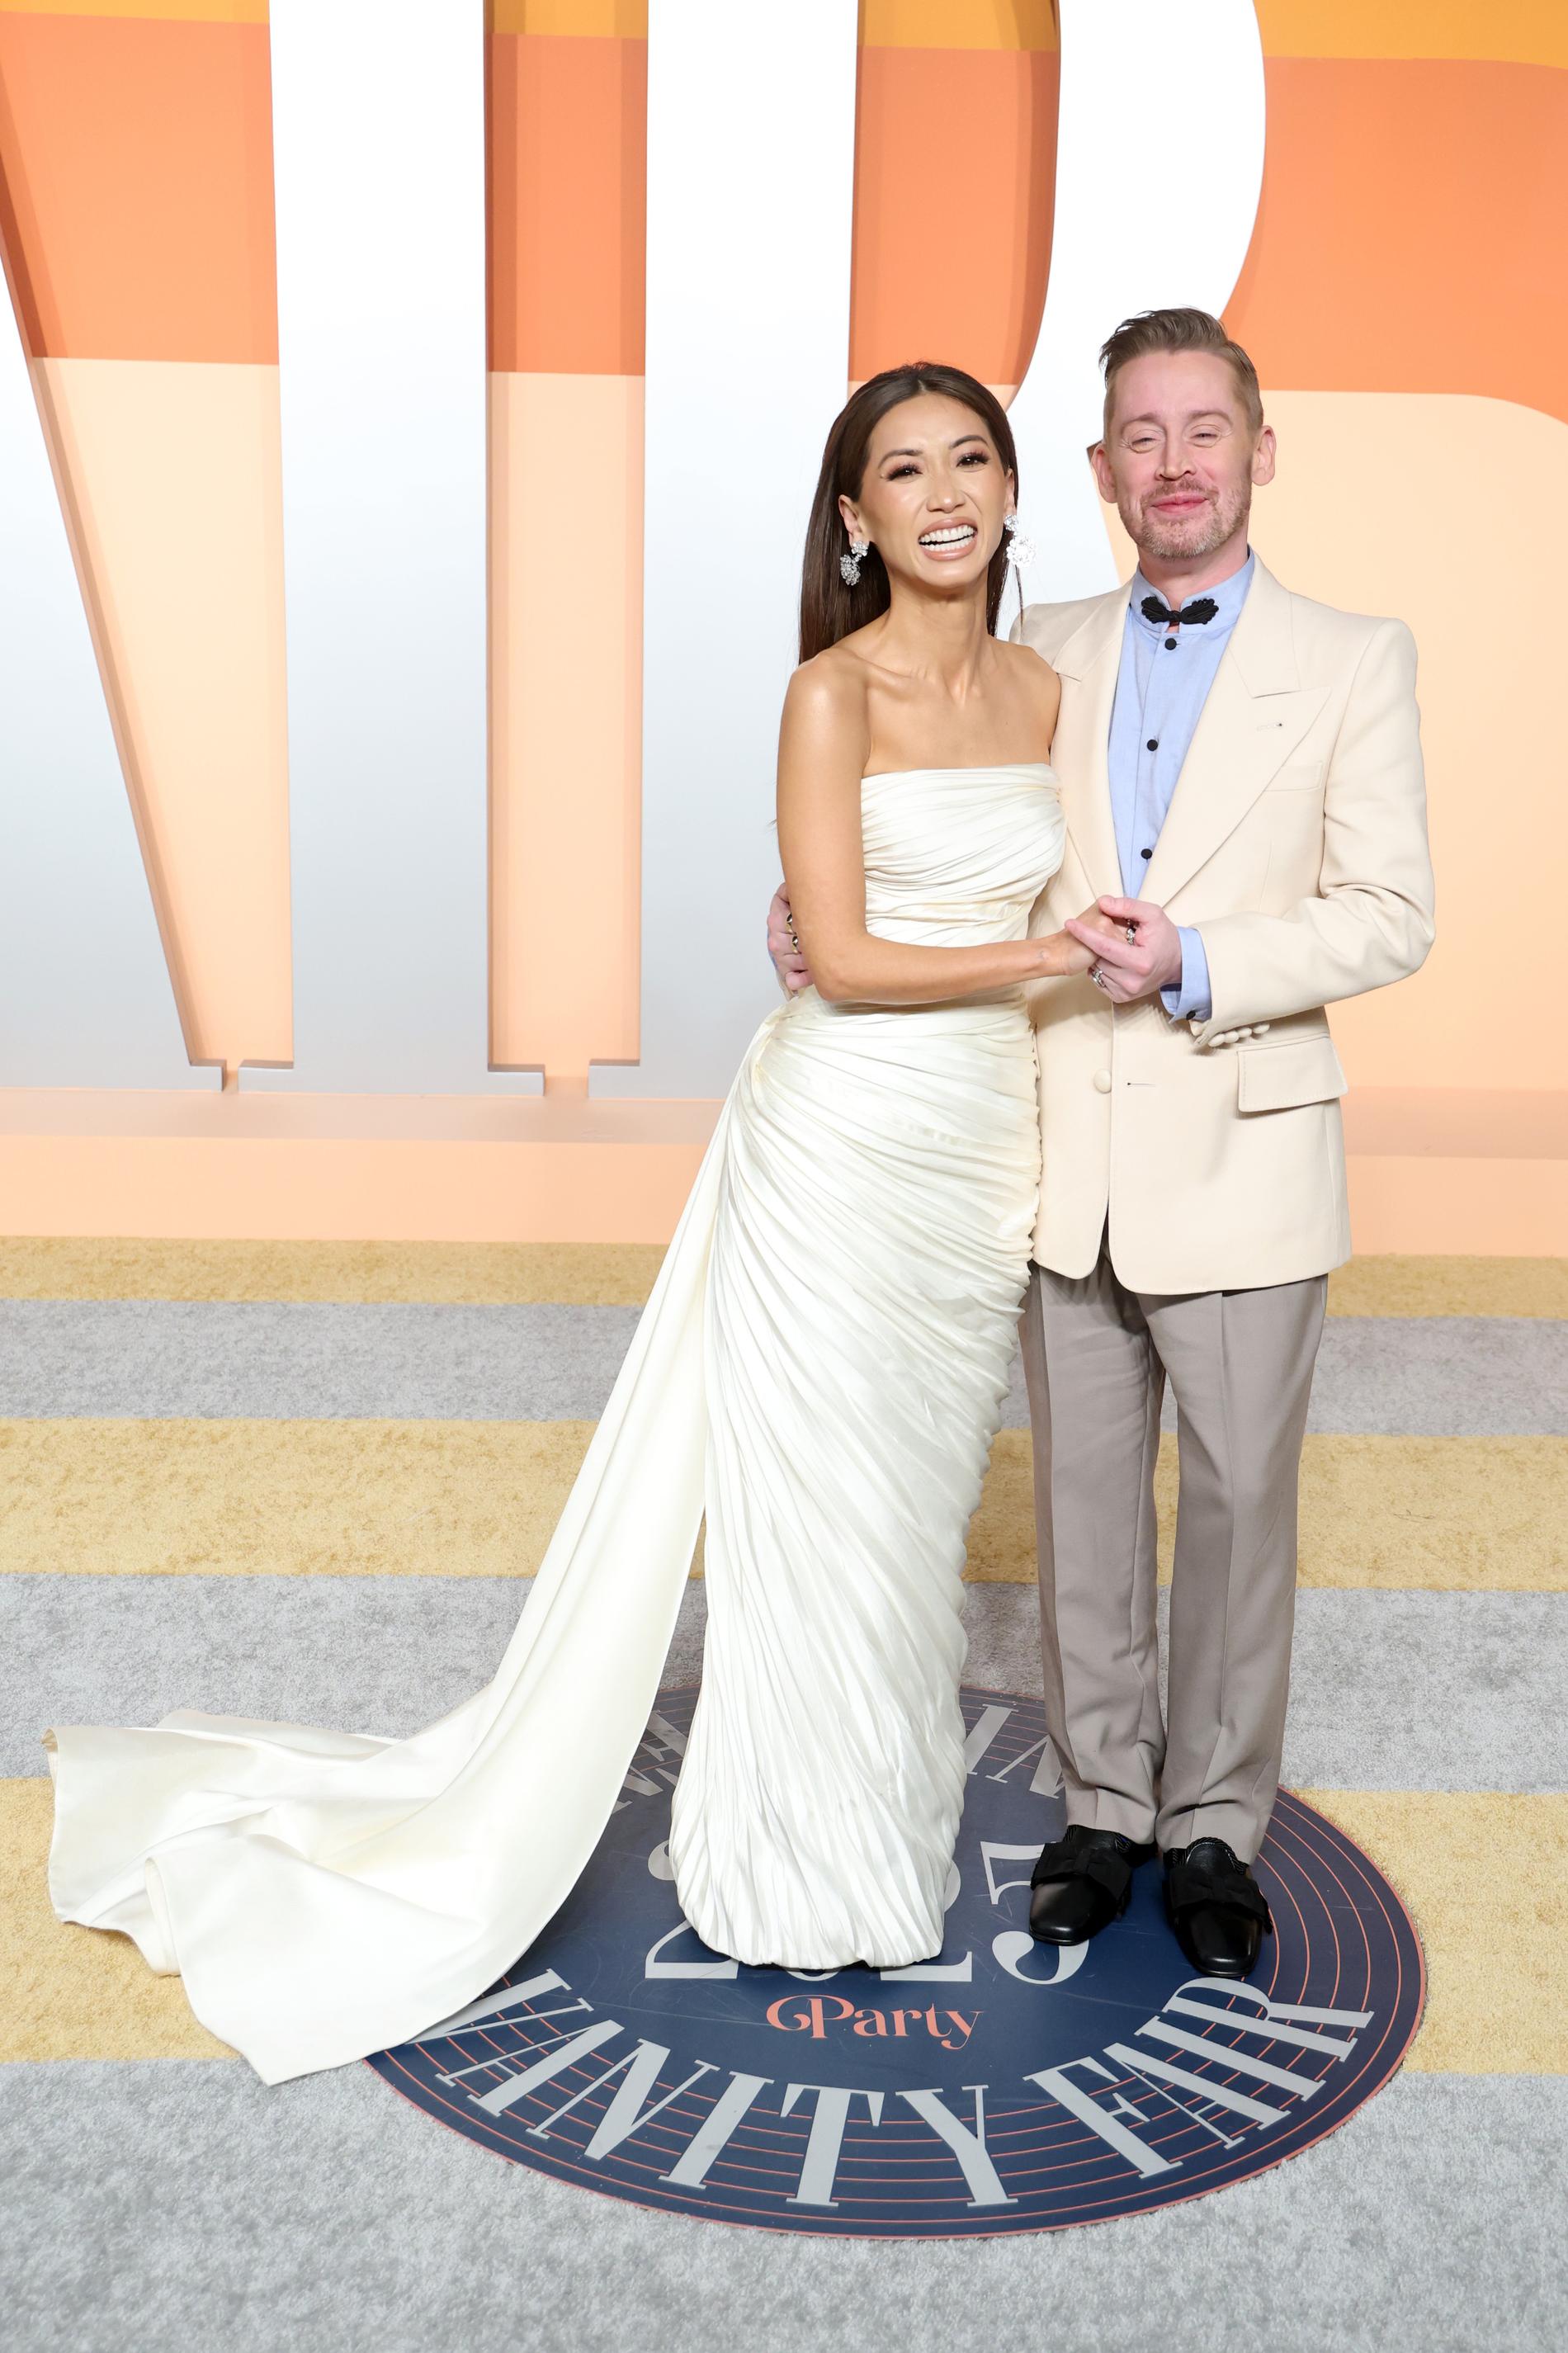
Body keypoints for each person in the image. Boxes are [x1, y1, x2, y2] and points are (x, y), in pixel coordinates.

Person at [43, 361, 1100, 2083]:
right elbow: (840, 959)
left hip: (983, 1145)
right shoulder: (827, 694)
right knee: (814, 1513)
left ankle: (868, 1837)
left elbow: (1064, 880)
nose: (942, 494)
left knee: (912, 1531)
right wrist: (1048, 955)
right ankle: (790, 1873)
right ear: (853, 517)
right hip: (840, 1139)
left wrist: (1068, 957)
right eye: (902, 470)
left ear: (1006, 485)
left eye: (968, 458)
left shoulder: (1048, 685)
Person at [771, 309, 1436, 1981]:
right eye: (1140, 436)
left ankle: (1212, 1823)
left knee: (1237, 1509)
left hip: (1244, 1147)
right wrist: (810, 900)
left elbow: (1388, 912)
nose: (1174, 464)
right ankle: (1100, 1805)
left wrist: (1200, 958)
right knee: (1079, 1511)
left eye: (1204, 430)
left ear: (1259, 452)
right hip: (1055, 1148)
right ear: (1096, 471)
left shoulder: (1354, 657)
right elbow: (933, 816)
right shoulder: (1035, 651)